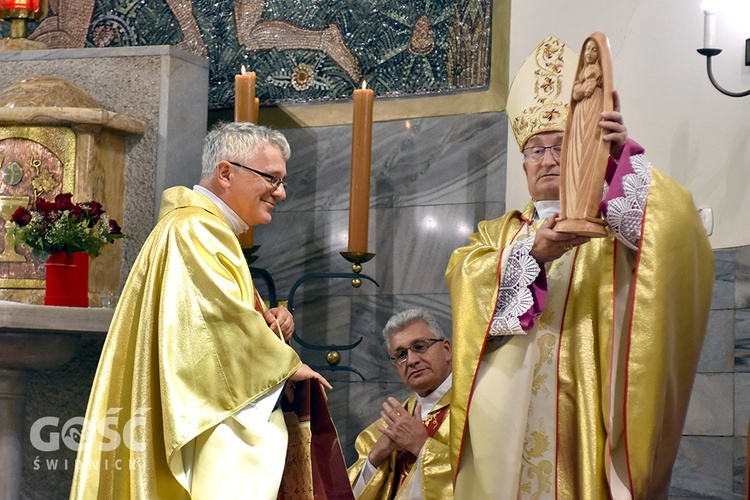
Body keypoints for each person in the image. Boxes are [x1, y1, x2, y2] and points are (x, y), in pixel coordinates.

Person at [445, 35, 714, 499]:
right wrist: (533, 253)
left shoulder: (614, 223)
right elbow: (464, 279)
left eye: (561, 145)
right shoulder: (498, 234)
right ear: (523, 162)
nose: (548, 160)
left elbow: (677, 235)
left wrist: (620, 162)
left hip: (585, 420)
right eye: (535, 150)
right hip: (507, 428)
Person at [70, 122, 331, 499]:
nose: (281, 192)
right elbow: (216, 326)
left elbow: (206, 322)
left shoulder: (197, 226)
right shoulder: (197, 229)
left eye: (282, 181)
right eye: (272, 179)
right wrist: (286, 363)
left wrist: (267, 322)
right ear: (226, 173)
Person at [348, 309, 453, 500]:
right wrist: (377, 455)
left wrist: (421, 446)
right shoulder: (388, 426)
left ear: (446, 349)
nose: (411, 360)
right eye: (401, 354)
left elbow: (487, 479)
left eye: (420, 347)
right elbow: (347, 495)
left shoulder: (474, 408)